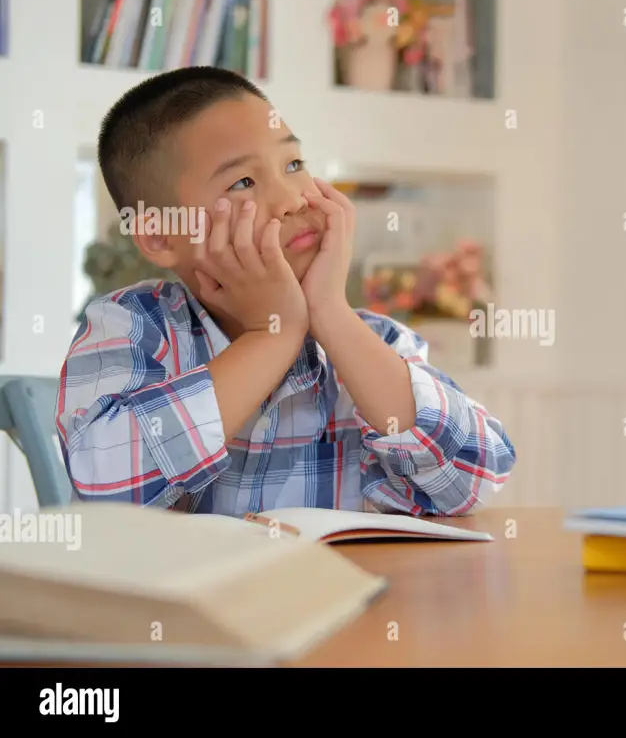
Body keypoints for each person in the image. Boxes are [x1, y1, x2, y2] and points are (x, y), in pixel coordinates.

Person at [56, 66, 515, 516]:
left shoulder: (373, 343)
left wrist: (330, 313)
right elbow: (105, 488)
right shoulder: (131, 326)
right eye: (243, 182)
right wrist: (270, 336)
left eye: (293, 164)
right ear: (160, 237)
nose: (292, 198)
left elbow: (470, 484)